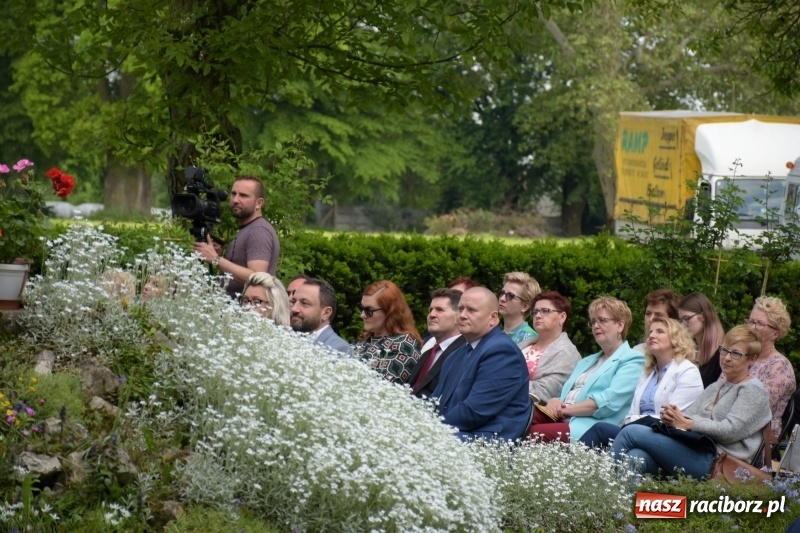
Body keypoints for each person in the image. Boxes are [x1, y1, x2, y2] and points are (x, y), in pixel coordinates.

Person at [612, 325, 772, 479]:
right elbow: (687, 416)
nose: (727, 358)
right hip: (695, 449)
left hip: (719, 462)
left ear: (752, 359)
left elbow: (730, 430)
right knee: (636, 457)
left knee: (631, 432)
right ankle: (619, 506)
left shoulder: (753, 391)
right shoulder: (716, 387)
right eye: (724, 350)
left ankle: (600, 488)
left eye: (736, 353)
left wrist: (689, 423)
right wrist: (673, 417)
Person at [526, 296, 644, 442]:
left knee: (531, 433)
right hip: (560, 417)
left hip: (588, 426)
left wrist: (564, 410)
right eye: (593, 321)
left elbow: (609, 402)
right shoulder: (587, 361)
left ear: (620, 325)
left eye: (602, 320)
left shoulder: (632, 359)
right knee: (518, 415)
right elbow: (566, 395)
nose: (596, 325)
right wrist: (555, 401)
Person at [579, 317, 703, 447]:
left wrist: (637, 422)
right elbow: (630, 415)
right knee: (603, 431)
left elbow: (672, 419)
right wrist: (638, 422)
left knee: (603, 431)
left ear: (676, 339)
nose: (652, 335)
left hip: (670, 438)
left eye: (660, 331)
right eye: (650, 332)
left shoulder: (687, 371)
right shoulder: (647, 373)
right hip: (636, 433)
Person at [432, 287, 531, 441]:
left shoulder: (502, 352)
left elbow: (474, 412)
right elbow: (435, 401)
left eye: (471, 310)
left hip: (484, 440)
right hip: (455, 432)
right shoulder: (455, 354)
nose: (463, 315)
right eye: (460, 309)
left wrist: (430, 430)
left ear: (493, 318)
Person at [193, 175, 280, 299]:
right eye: (233, 194)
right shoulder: (248, 228)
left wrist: (216, 259)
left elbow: (257, 277)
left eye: (243, 196)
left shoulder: (259, 231)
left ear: (259, 203)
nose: (235, 200)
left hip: (247, 312)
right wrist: (220, 255)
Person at [741, 296, 795, 444]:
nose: (752, 327)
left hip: (756, 440)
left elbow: (755, 409)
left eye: (759, 324)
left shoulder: (779, 366)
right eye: (751, 321)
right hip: (729, 427)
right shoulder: (742, 355)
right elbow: (718, 392)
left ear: (775, 334)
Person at [353, 281, 422, 384]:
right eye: (362, 308)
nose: (362, 315)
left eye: (369, 310)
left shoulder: (405, 345)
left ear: (390, 311)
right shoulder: (366, 338)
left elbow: (384, 390)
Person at [518, 291, 581, 403]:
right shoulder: (524, 345)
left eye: (545, 311)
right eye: (536, 311)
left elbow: (546, 391)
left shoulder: (568, 354)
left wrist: (504, 385)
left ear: (562, 317)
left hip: (529, 411)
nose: (537, 315)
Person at [408, 288, 466, 398]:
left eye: (439, 310)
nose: (432, 315)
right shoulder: (427, 353)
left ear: (458, 317)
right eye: (430, 310)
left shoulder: (465, 353)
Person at [290, 277, 352, 356]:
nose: (294, 309)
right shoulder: (287, 340)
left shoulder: (338, 349)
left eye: (305, 303)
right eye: (293, 302)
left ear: (326, 313)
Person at [678, 292, 724, 388]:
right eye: (681, 320)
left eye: (687, 318)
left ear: (703, 316)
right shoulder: (690, 353)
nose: (682, 325)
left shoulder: (723, 353)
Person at [632, 289, 681, 353]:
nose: (651, 319)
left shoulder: (684, 355)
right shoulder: (637, 353)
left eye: (658, 315)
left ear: (673, 320)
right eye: (648, 314)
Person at [498, 272, 540, 345]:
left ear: (525, 306)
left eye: (511, 296)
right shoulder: (496, 334)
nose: (502, 299)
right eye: (502, 293)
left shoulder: (530, 340)